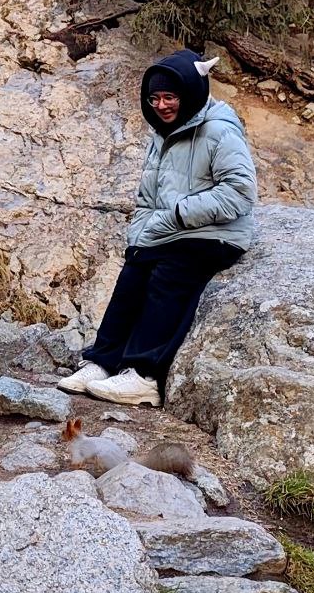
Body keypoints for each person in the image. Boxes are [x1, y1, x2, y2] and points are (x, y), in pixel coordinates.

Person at [58, 49, 257, 407]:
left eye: (169, 97)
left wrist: (177, 216)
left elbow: (239, 193)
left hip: (215, 233)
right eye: (154, 98)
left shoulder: (220, 130)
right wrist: (140, 236)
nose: (161, 105)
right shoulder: (164, 133)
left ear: (190, 93)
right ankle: (103, 361)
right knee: (134, 270)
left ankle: (143, 375)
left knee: (170, 272)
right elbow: (147, 198)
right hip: (174, 228)